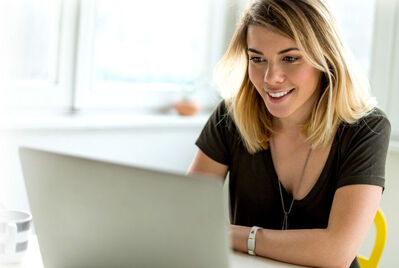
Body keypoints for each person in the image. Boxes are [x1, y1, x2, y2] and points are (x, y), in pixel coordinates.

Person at [188, 0, 391, 267]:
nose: (271, 78)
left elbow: (336, 252)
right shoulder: (231, 117)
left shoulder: (366, 128)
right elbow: (188, 218)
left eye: (290, 58)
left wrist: (234, 235)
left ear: (325, 57)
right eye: (257, 59)